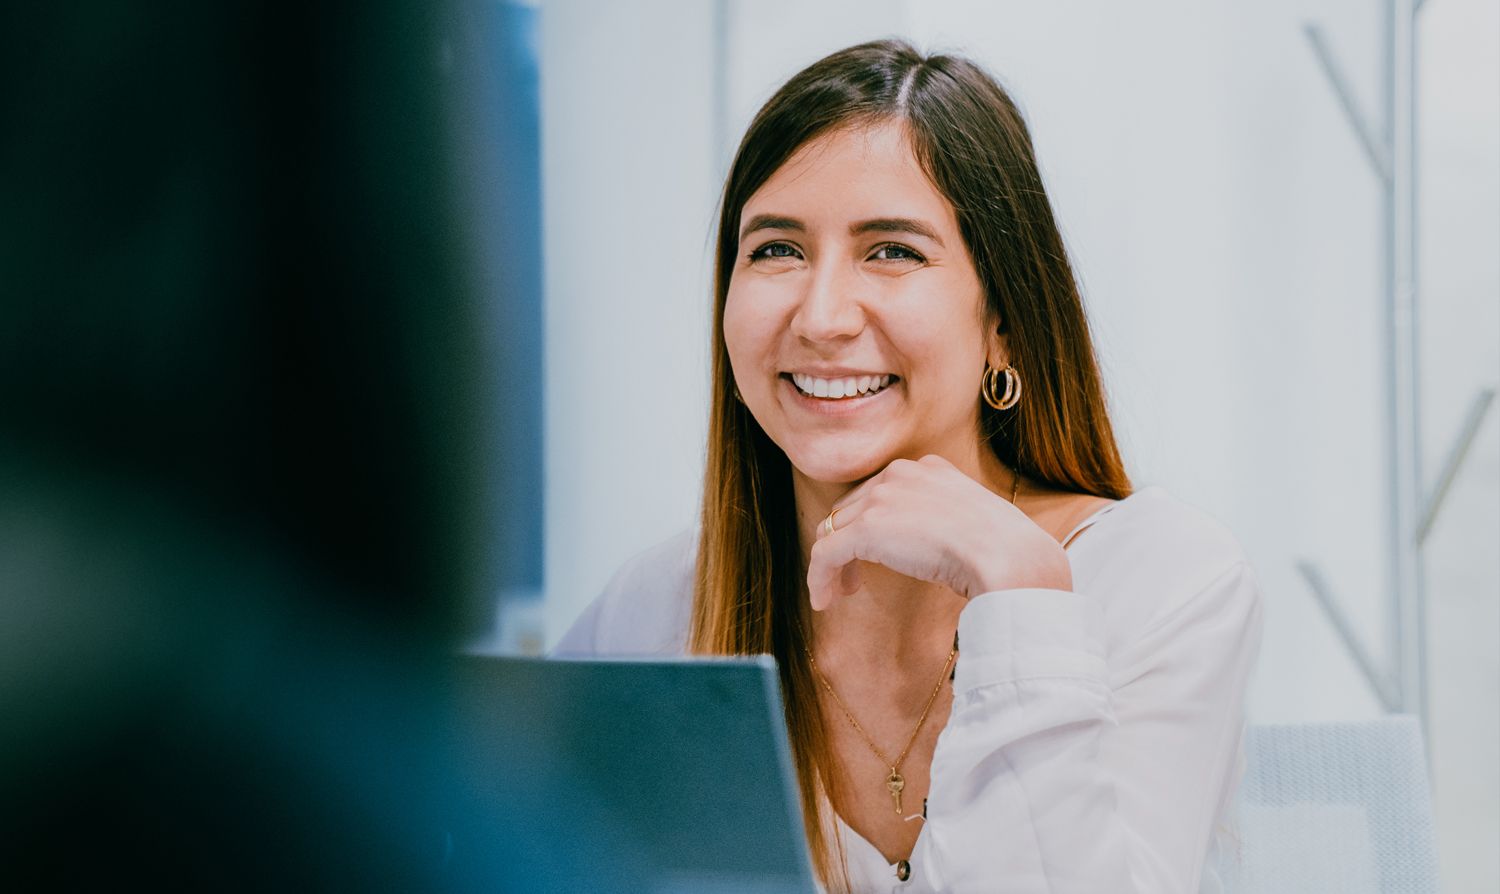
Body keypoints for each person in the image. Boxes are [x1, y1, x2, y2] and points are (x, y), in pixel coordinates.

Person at [556, 39, 1263, 894]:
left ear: (1003, 318)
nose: (821, 317)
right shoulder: (657, 610)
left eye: (892, 251)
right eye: (776, 250)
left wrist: (1022, 598)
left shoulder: (1162, 580)